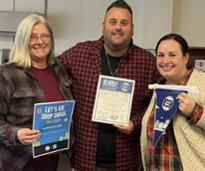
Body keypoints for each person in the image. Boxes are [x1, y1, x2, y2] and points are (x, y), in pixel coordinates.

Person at [59, 0, 159, 170]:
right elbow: (49, 70)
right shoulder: (79, 54)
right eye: (113, 22)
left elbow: (159, 105)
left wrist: (135, 123)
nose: (118, 27)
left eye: (124, 23)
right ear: (103, 26)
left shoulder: (148, 63)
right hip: (84, 160)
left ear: (132, 29)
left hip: (127, 161)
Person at [0, 14, 73, 171]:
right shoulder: (7, 74)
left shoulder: (59, 70)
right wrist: (16, 133)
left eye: (44, 36)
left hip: (53, 160)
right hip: (20, 162)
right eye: (32, 37)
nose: (40, 41)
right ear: (23, 40)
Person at [140, 33, 205, 170]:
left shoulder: (202, 84)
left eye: (172, 55)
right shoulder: (158, 88)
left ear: (186, 57)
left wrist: (195, 112)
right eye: (161, 55)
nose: (165, 61)